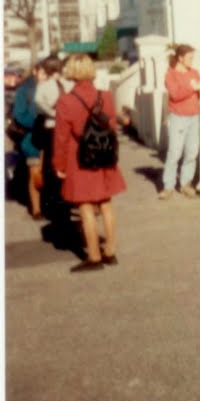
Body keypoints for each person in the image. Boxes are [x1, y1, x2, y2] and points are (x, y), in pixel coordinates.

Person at [53, 54, 126, 273]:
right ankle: (110, 252)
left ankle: (93, 256)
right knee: (106, 204)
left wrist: (60, 164)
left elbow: (61, 138)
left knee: (85, 207)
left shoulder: (66, 101)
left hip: (80, 158)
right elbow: (112, 128)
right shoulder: (106, 96)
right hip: (104, 156)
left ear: (71, 72)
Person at [158, 44, 200, 200]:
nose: (192, 61)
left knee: (192, 152)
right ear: (180, 58)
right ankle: (168, 186)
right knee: (175, 151)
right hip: (178, 118)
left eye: (193, 58)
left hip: (194, 117)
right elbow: (175, 95)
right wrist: (192, 87)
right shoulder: (171, 74)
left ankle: (186, 183)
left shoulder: (194, 72)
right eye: (189, 58)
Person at [35, 55, 77, 247]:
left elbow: (38, 104)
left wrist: (52, 113)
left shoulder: (43, 87)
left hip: (52, 127)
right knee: (66, 165)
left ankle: (57, 207)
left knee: (53, 167)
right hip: (65, 128)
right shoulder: (67, 85)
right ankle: (66, 203)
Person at [10, 62, 47, 219]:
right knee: (35, 173)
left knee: (46, 173)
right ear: (35, 71)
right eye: (43, 73)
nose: (46, 76)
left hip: (50, 138)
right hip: (31, 139)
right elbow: (19, 115)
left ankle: (47, 205)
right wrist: (38, 123)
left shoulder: (52, 87)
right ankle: (36, 208)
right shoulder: (24, 90)